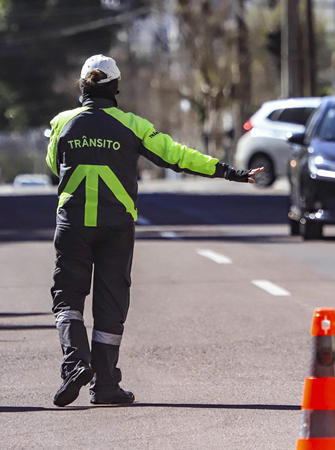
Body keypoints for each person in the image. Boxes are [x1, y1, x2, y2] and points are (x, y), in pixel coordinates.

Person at [46, 55, 263, 407]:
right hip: (116, 227)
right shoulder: (133, 125)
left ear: (82, 87)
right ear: (116, 88)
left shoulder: (62, 123)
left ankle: (74, 363)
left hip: (73, 225)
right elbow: (178, 156)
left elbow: (54, 165)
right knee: (111, 304)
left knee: (68, 297)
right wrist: (229, 172)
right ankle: (104, 385)